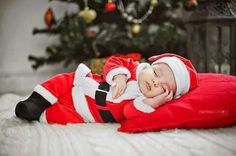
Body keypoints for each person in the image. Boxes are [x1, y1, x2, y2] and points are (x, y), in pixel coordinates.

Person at [15, 53, 198, 124]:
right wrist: (119, 75)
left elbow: (128, 112)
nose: (156, 83)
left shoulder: (143, 102)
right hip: (85, 84)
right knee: (62, 80)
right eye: (157, 74)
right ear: (149, 66)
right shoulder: (133, 67)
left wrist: (151, 103)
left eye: (164, 88)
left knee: (58, 117)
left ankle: (37, 115)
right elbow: (114, 60)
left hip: (86, 113)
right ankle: (35, 102)